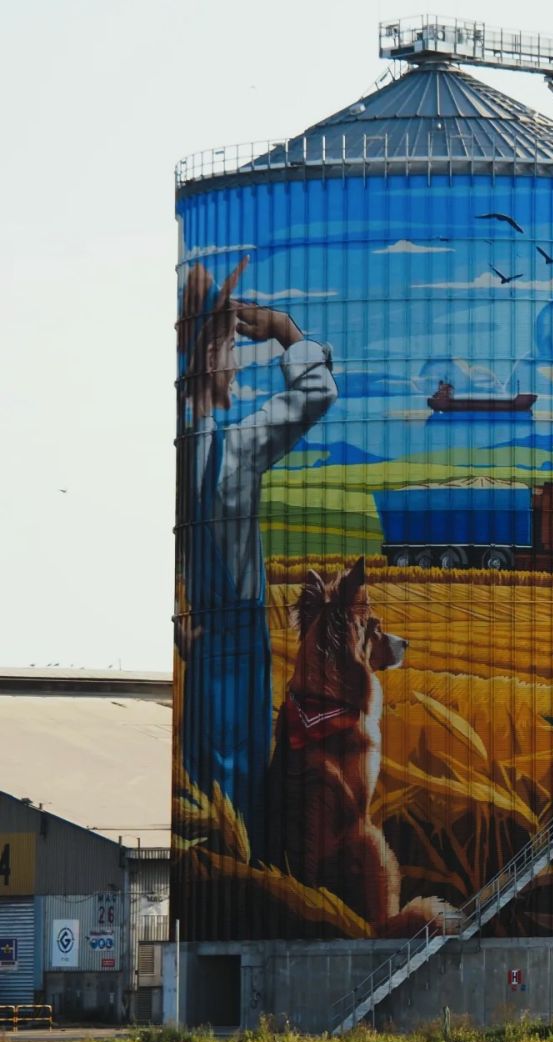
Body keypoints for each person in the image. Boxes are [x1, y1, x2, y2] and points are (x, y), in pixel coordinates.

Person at [175, 256, 336, 844]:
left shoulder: (178, 449)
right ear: (209, 356)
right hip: (238, 654)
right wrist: (288, 332)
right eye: (230, 348)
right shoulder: (237, 452)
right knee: (240, 806)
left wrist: (177, 615)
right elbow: (318, 392)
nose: (237, 362)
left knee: (204, 808)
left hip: (199, 658)